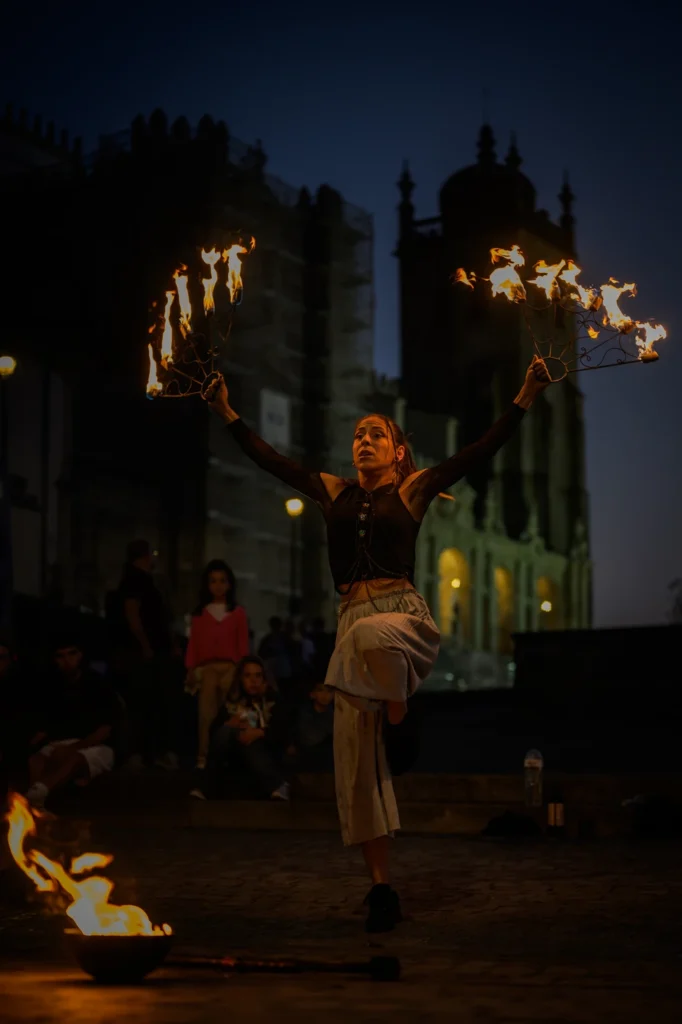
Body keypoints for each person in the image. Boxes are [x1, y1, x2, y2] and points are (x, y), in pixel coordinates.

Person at [209, 354, 550, 932]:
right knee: (355, 769)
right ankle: (381, 889)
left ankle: (398, 708)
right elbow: (269, 459)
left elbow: (478, 451)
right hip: (353, 629)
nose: (365, 440)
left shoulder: (413, 491)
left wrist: (526, 391)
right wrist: (225, 409)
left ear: (396, 452)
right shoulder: (331, 491)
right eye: (359, 434)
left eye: (377, 434)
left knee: (367, 634)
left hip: (400, 621)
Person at [24, 637, 121, 809]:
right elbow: (44, 727)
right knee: (37, 759)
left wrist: (73, 748)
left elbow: (105, 730)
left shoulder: (98, 685)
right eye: (60, 656)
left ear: (81, 655)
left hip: (96, 745)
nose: (67, 660)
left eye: (72, 653)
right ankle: (37, 804)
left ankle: (39, 792)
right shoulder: (52, 687)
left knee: (75, 758)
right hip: (60, 742)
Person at [112, 540, 180, 771]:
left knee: (151, 702)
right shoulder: (136, 581)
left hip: (150, 651)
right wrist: (145, 645)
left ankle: (146, 752)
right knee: (145, 702)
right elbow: (134, 615)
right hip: (145, 654)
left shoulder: (141, 581)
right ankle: (141, 752)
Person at [191, 656, 289, 801]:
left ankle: (278, 784)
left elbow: (283, 733)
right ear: (240, 679)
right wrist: (229, 723)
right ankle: (206, 787)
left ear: (264, 678)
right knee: (226, 731)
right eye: (248, 676)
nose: (253, 681)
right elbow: (214, 733)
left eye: (258, 675)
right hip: (235, 755)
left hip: (264, 753)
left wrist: (259, 732)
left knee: (249, 740)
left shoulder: (274, 700)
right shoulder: (233, 701)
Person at [185, 559, 250, 770]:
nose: (218, 585)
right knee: (206, 712)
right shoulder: (199, 614)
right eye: (213, 581)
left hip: (231, 668)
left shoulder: (237, 613)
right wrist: (191, 669)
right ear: (207, 584)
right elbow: (194, 644)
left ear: (230, 584)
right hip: (207, 668)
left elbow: (243, 646)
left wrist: (242, 670)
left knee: (231, 710)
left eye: (222, 581)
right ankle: (204, 755)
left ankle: (230, 756)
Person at [286, 682, 335, 770]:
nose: (325, 695)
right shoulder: (304, 713)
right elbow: (309, 739)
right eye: (320, 690)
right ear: (312, 694)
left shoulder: (335, 714)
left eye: (329, 691)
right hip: (307, 753)